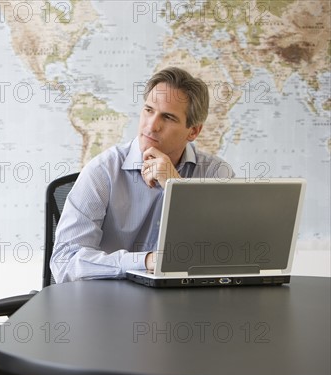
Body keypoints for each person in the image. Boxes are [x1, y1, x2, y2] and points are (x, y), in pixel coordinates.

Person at [50, 67, 235, 283]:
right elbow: (65, 262)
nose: (152, 125)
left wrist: (176, 188)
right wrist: (145, 261)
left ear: (193, 131)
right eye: (149, 110)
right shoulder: (102, 172)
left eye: (167, 117)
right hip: (108, 305)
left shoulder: (216, 174)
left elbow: (227, 256)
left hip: (184, 307)